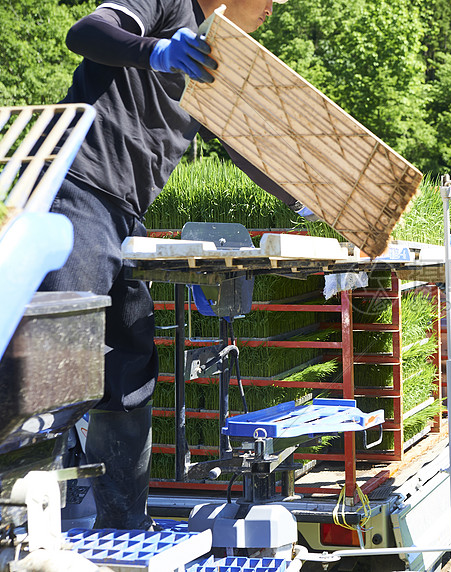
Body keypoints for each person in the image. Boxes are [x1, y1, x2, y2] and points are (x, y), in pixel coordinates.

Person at [41, 0, 305, 531]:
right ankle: (29, 529)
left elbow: (244, 147)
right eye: (270, 0)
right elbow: (86, 32)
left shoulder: (219, 61)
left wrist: (309, 197)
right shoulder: (168, 6)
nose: (273, 10)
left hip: (126, 210)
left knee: (130, 364)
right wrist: (156, 51)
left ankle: (122, 523)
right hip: (77, 188)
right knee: (58, 365)